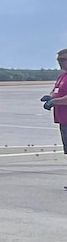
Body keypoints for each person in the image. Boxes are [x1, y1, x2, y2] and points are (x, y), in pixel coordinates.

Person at [44, 48, 67, 187]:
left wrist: (54, 102)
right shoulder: (62, 77)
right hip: (63, 119)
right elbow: (56, 90)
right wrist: (50, 97)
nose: (60, 63)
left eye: (62, 60)